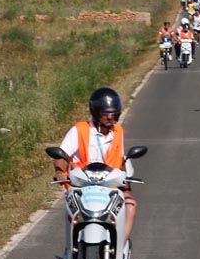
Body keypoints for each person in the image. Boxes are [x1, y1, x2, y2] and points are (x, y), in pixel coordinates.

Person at [52, 87, 138, 246]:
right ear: (96, 112)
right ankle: (73, 248)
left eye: (114, 113)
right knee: (74, 215)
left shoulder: (118, 131)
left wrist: (127, 181)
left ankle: (119, 246)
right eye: (106, 113)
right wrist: (60, 172)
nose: (110, 117)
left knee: (130, 205)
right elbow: (61, 155)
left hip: (110, 185)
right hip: (82, 186)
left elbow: (120, 159)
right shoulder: (80, 130)